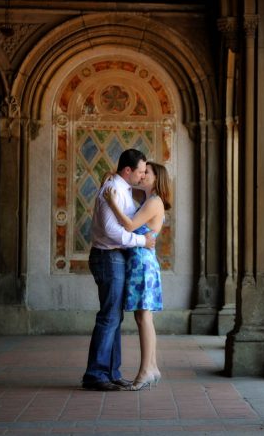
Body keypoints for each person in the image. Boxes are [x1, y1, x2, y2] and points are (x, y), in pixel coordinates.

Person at [82, 149, 155, 391]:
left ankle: (111, 372)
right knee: (109, 316)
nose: (143, 175)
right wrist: (142, 242)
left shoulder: (122, 189)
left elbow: (128, 221)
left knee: (115, 316)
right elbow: (113, 232)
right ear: (128, 171)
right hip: (107, 257)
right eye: (141, 171)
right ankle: (96, 375)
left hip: (115, 257)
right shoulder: (110, 189)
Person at [104, 161, 171, 391]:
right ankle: (151, 367)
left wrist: (112, 203)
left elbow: (131, 225)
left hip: (142, 263)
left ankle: (145, 371)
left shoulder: (153, 202)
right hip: (142, 262)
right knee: (144, 318)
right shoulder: (149, 201)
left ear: (156, 178)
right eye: (141, 172)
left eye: (147, 173)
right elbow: (127, 187)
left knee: (143, 318)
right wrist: (111, 176)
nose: (142, 176)